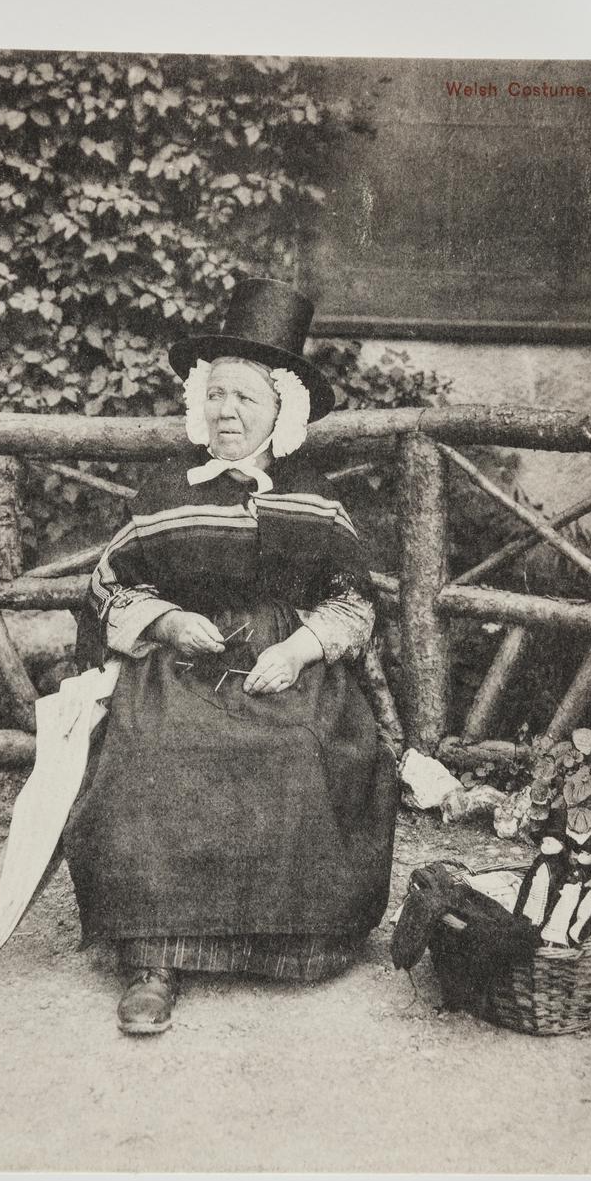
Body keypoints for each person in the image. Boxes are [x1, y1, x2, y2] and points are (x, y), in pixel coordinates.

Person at [63, 278, 398, 1034]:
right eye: (216, 395)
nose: (226, 412)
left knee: (303, 745)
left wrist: (305, 646)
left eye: (245, 397)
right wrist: (169, 620)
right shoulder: (165, 488)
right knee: (151, 745)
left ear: (283, 409)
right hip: (181, 668)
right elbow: (109, 585)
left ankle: (288, 944)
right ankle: (155, 958)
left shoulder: (314, 495)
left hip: (287, 668)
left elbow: (355, 601)